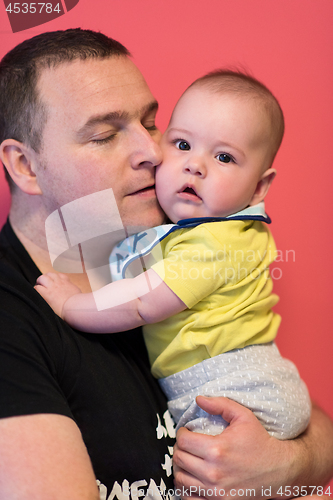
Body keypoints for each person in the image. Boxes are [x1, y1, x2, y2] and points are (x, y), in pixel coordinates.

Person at [0, 28, 332, 500]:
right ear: (26, 167)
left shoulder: (159, 250)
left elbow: (304, 414)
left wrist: (287, 463)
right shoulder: (13, 324)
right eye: (105, 135)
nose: (152, 154)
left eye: (152, 124)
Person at [35, 70, 311, 440]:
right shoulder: (198, 227)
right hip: (249, 382)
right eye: (182, 145)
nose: (195, 165)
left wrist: (71, 305)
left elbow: (141, 304)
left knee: (206, 480)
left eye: (225, 157)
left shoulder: (216, 242)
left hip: (234, 392)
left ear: (259, 186)